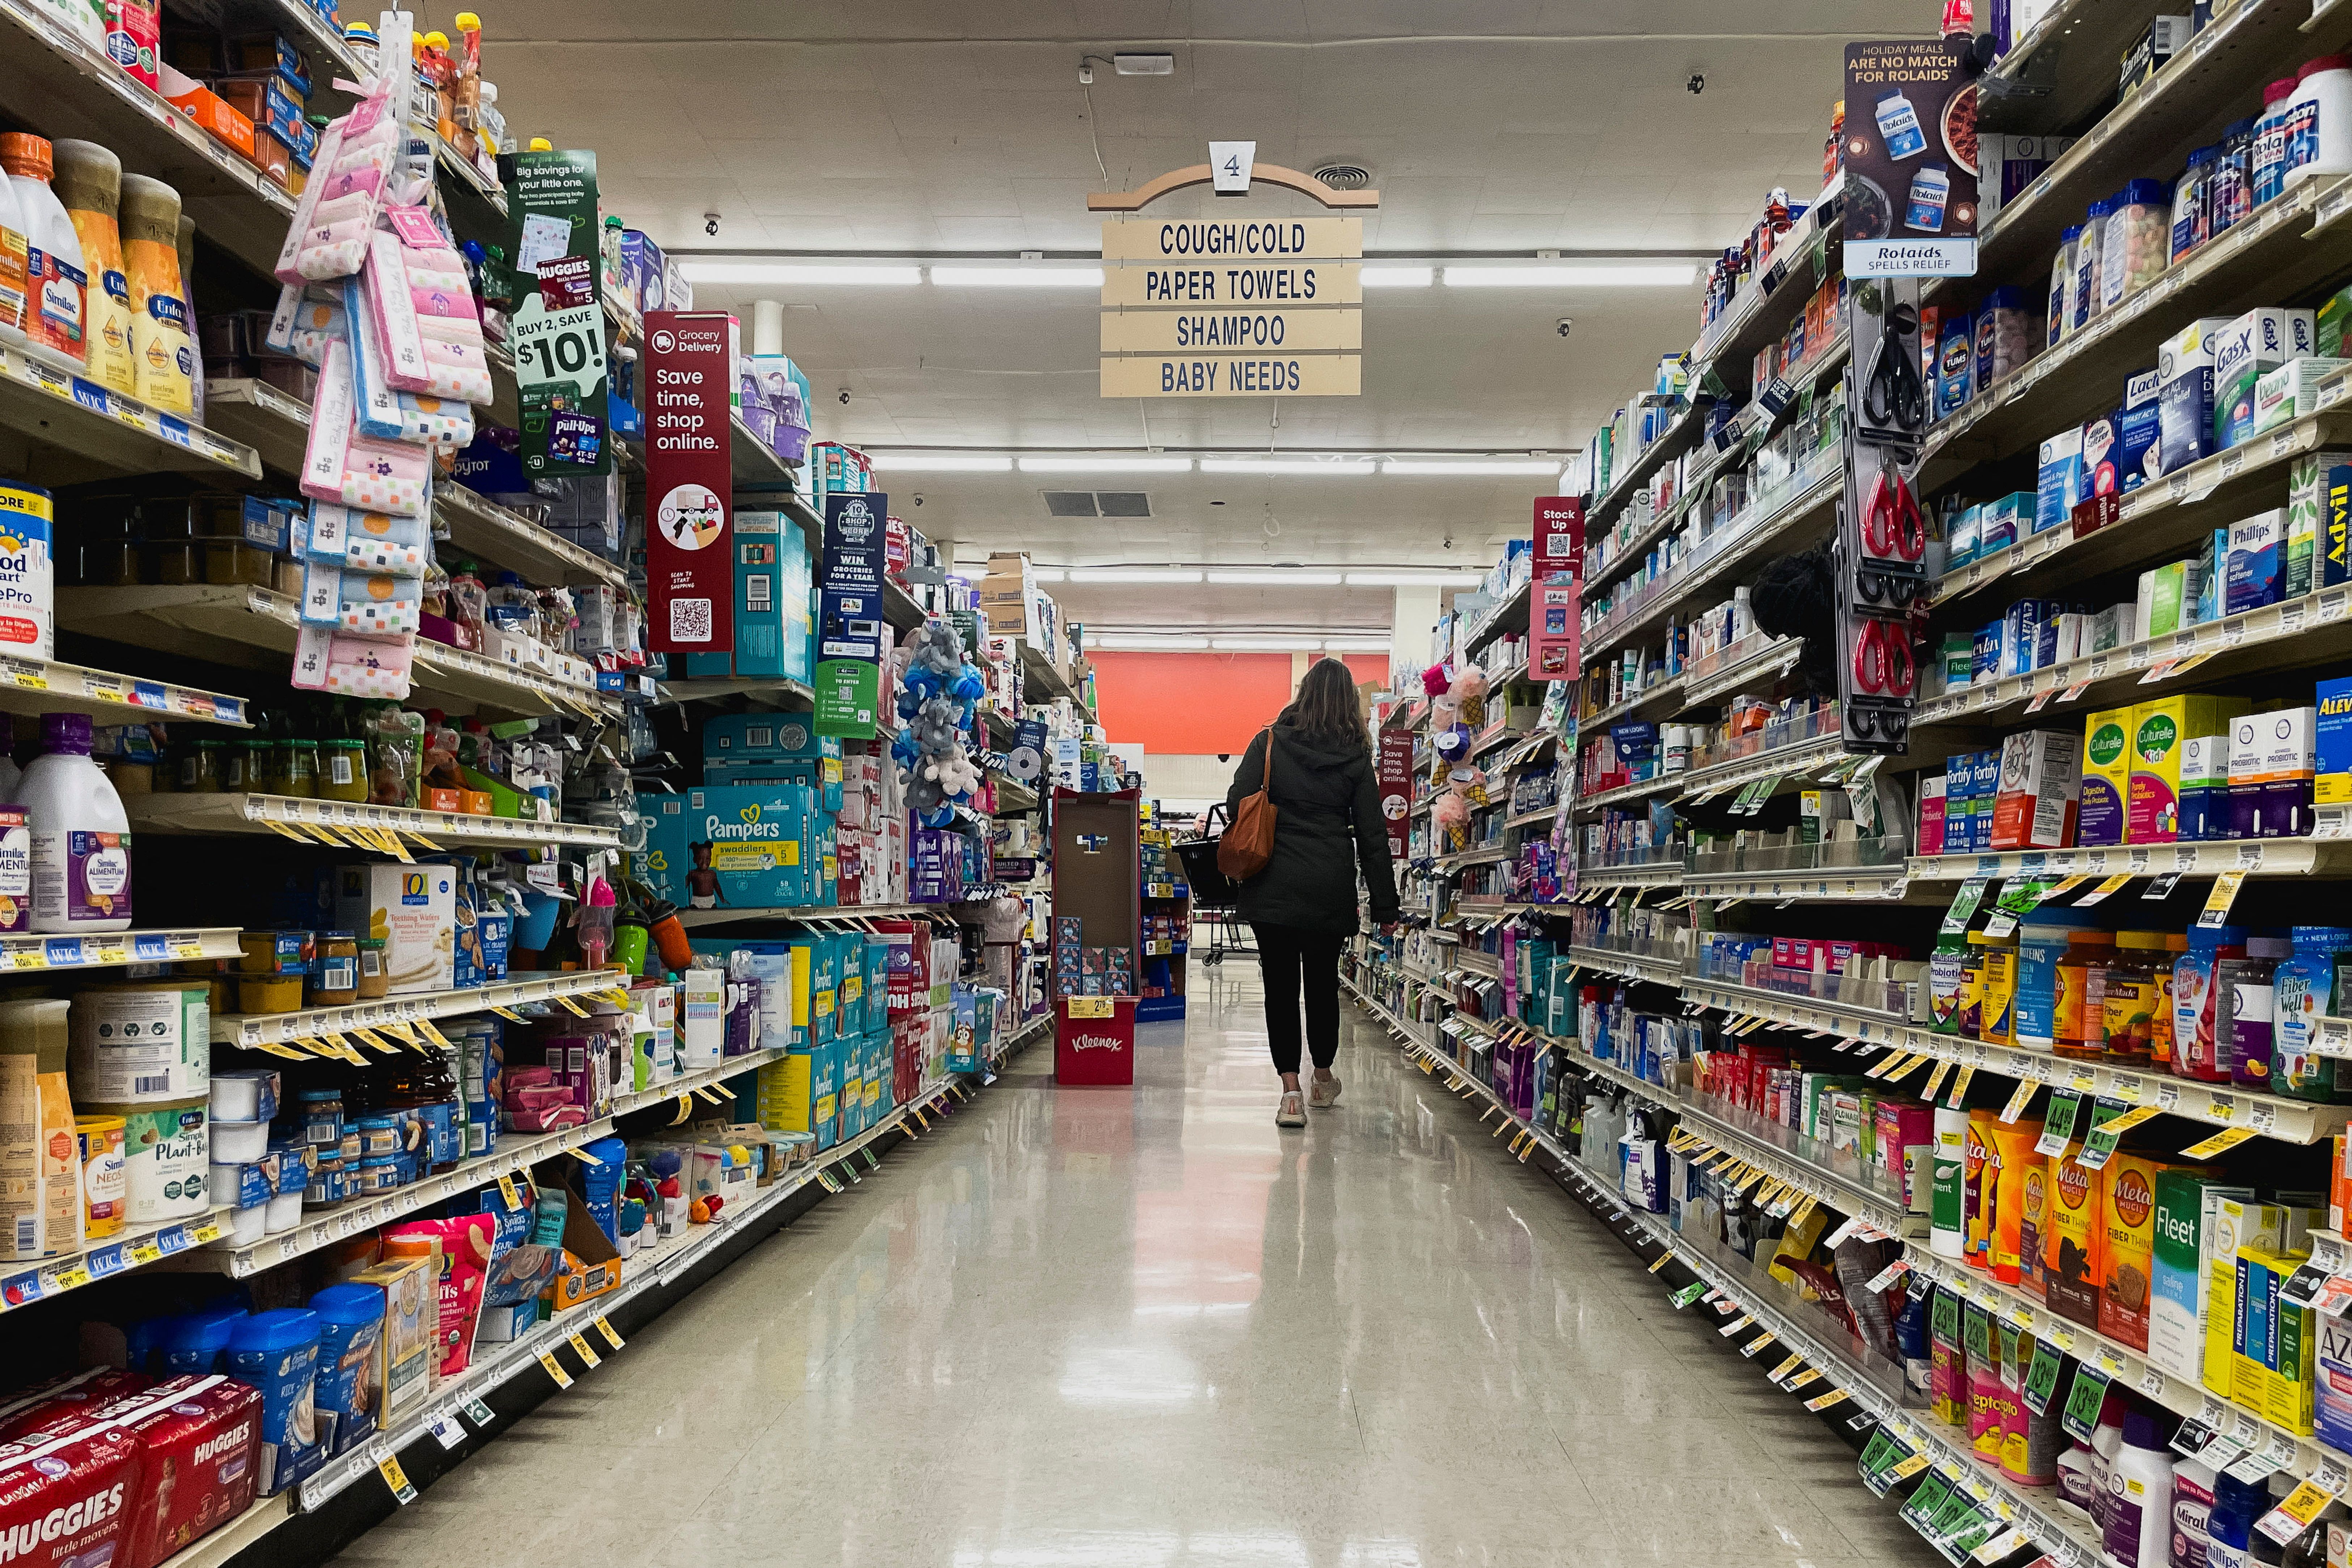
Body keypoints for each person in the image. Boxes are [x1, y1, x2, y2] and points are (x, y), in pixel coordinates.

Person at [1224, 656, 1400, 1128]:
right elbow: (1373, 833)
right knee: (1322, 984)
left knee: (1280, 989)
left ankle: (1290, 1093)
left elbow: (1234, 801)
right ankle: (1322, 1074)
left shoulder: (1269, 741)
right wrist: (1386, 903)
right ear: (1347, 702)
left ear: (1303, 693)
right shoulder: (1355, 757)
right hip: (1329, 884)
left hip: (1273, 884)